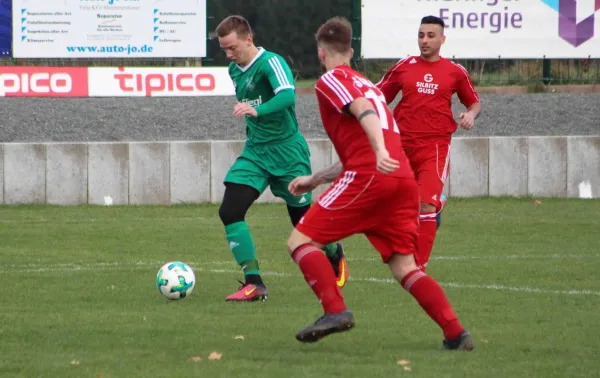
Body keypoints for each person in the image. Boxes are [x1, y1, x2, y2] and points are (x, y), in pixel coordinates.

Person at [285, 16, 474, 350]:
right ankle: (456, 334)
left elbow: (363, 113)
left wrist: (377, 150)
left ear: (320, 53)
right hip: (400, 181)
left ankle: (335, 310)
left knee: (300, 241)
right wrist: (315, 180)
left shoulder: (332, 80)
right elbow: (362, 132)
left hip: (369, 176)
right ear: (352, 49)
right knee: (405, 267)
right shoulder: (369, 84)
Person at [214, 15, 348, 301]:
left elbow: (288, 96)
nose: (228, 55)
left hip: (287, 151)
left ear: (248, 38)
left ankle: (334, 250)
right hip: (256, 152)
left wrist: (256, 111)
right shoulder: (234, 69)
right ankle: (254, 283)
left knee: (303, 223)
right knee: (230, 211)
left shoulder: (271, 62)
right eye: (224, 49)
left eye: (232, 48)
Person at [376, 16, 482, 272]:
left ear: (442, 39)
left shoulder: (455, 71)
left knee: (425, 204)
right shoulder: (404, 66)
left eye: (431, 35)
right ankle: (436, 205)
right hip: (401, 145)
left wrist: (470, 115)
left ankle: (417, 267)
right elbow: (378, 96)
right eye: (421, 35)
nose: (425, 40)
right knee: (395, 206)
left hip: (434, 146)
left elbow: (474, 103)